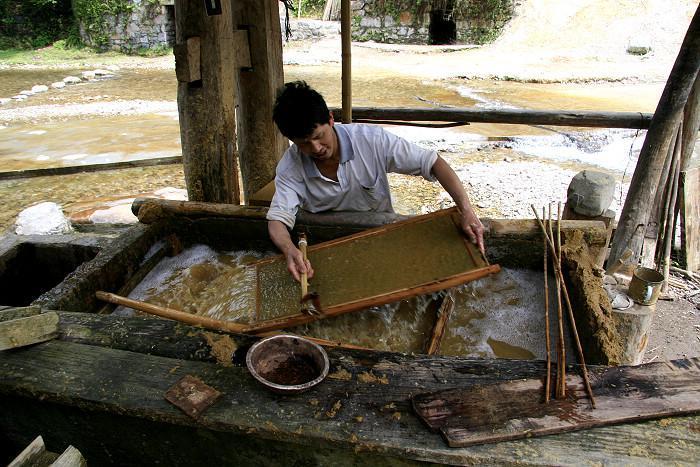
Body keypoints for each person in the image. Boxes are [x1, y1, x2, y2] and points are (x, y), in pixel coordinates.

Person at [267, 81, 485, 281]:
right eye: (304, 143)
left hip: (381, 235)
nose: (316, 148)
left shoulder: (371, 141)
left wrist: (466, 210)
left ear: (331, 120)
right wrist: (289, 250)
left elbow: (434, 162)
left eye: (318, 136)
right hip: (327, 245)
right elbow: (277, 220)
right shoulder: (291, 166)